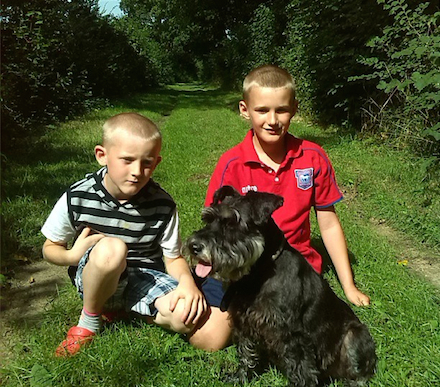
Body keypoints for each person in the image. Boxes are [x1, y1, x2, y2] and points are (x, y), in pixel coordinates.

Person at [41, 112, 231, 357]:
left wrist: (187, 283)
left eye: (147, 163)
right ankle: (89, 321)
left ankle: (127, 310)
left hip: (144, 276)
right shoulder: (78, 196)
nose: (137, 172)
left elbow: (172, 258)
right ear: (102, 156)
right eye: (127, 160)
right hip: (97, 275)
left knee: (187, 315)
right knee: (113, 249)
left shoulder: (162, 205)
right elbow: (49, 248)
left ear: (157, 163)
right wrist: (72, 255)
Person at [205, 65, 370, 307]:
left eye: (281, 110)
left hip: (296, 267)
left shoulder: (313, 157)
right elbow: (216, 225)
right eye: (262, 110)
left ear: (294, 109)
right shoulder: (232, 164)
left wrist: (349, 286)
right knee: (209, 339)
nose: (272, 120)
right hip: (243, 264)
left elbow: (329, 224)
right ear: (244, 109)